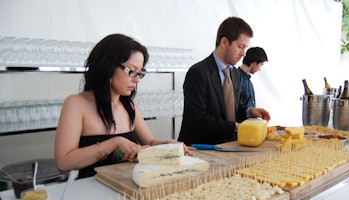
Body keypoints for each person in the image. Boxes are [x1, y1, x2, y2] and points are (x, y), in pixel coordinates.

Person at [54, 34, 191, 179]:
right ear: (107, 65)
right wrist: (114, 142)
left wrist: (167, 145)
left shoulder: (129, 105)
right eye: (131, 71)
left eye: (140, 73)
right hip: (91, 189)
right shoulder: (76, 104)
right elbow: (63, 163)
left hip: (127, 185)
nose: (137, 79)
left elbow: (150, 142)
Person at [178, 17, 271, 146]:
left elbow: (232, 108)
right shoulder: (198, 72)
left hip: (229, 148)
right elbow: (197, 118)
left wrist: (249, 112)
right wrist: (235, 127)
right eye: (240, 46)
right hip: (201, 150)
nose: (244, 54)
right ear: (224, 42)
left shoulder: (236, 74)